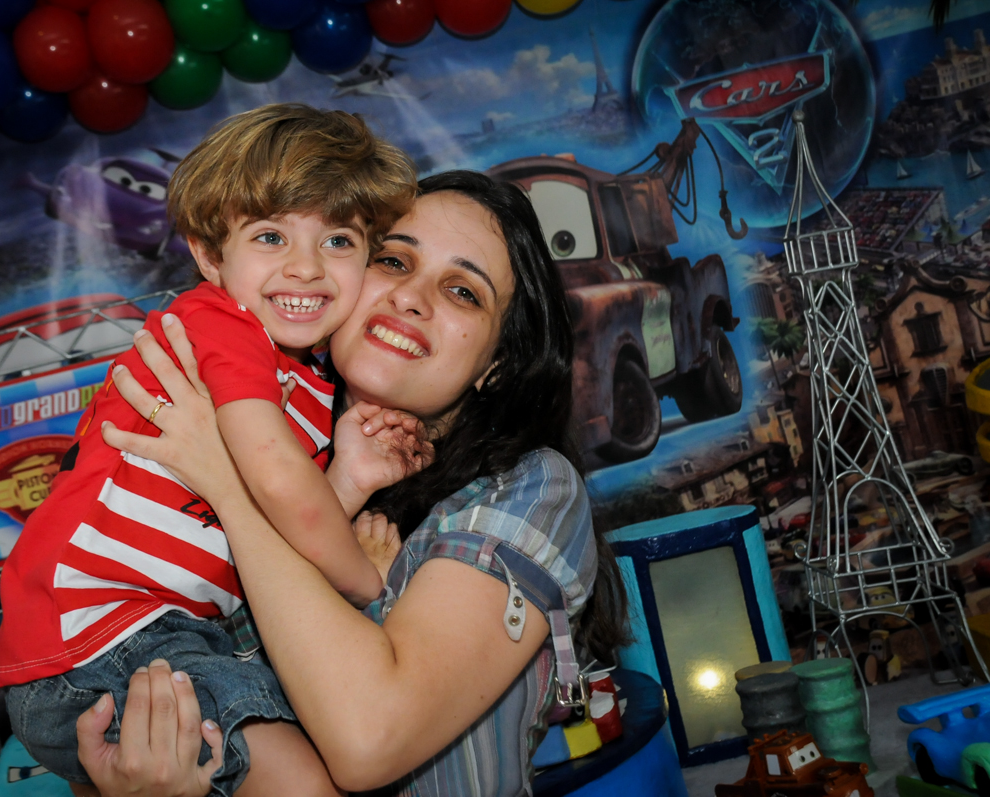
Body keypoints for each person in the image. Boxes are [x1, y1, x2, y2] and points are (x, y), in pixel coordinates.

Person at [77, 171, 630, 796]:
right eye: (392, 260)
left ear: (496, 365)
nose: (411, 298)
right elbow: (117, 694)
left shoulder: (529, 488)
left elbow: (368, 739)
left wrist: (231, 490)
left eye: (462, 292)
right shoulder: (251, 432)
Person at [0, 104, 419, 796]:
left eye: (338, 241)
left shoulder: (308, 378)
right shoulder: (218, 325)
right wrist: (373, 587)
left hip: (178, 633)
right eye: (272, 236)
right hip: (101, 637)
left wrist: (346, 475)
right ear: (210, 255)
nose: (307, 268)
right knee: (306, 781)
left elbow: (251, 526)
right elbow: (278, 487)